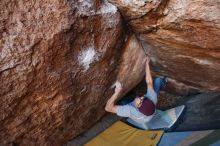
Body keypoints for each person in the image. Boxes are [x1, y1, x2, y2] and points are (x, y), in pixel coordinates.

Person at [105, 56, 167, 127]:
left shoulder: (130, 110)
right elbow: (149, 82)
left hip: (140, 118)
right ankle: (163, 83)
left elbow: (108, 108)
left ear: (137, 107)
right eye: (143, 98)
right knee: (158, 81)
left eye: (140, 101)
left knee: (122, 101)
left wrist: (116, 92)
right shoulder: (152, 98)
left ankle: (128, 98)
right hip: (148, 113)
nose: (141, 97)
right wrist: (147, 64)